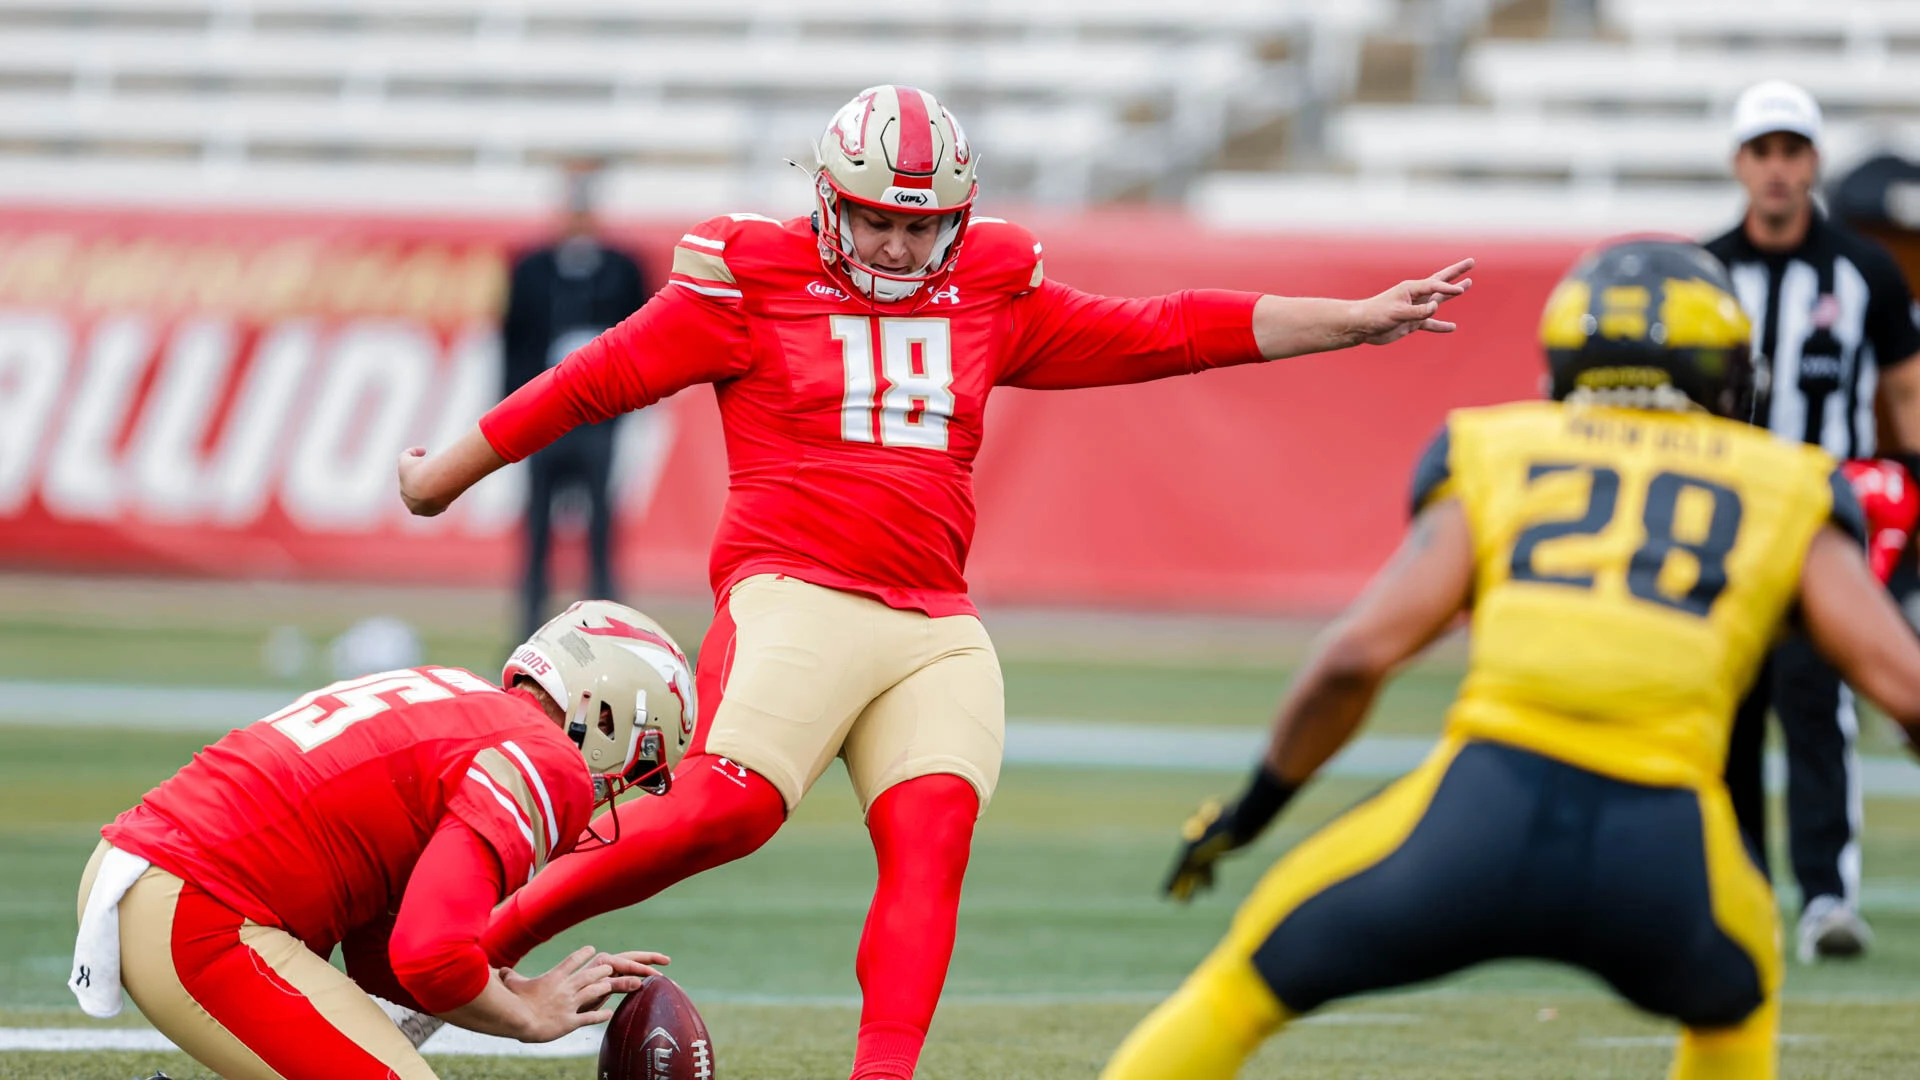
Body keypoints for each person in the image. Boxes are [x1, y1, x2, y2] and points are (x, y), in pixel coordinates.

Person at [396, 84, 1473, 1080]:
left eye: (919, 226)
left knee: (932, 844)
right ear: (828, 203)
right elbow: (592, 381)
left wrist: (1353, 318)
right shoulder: (749, 283)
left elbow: (1169, 330)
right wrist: (447, 474)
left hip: (935, 622)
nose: (898, 244)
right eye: (876, 220)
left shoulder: (988, 291)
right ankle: (439, 970)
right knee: (715, 816)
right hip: (798, 590)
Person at [1105, 238, 1920, 1080]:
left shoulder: (1499, 447)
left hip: (1480, 815)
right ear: (1726, 368)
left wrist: (1252, 811)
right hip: (1668, 848)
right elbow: (1908, 690)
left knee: (1242, 987)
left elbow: (1355, 658)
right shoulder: (1787, 481)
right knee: (1735, 1007)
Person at [70, 601, 694, 1080]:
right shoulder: (545, 757)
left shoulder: (458, 693)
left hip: (158, 873)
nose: (617, 789)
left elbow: (388, 955)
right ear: (604, 715)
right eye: (637, 762)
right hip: (202, 906)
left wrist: (508, 989)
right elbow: (428, 955)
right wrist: (527, 1018)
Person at [1705, 79, 1920, 961]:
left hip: (1822, 519)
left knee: (1817, 704)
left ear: (1814, 163)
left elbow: (1904, 392)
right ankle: (1740, 887)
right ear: (1739, 163)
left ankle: (1827, 895)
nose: (1778, 169)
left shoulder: (1862, 267)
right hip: (1725, 516)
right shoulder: (1706, 268)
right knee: (1727, 705)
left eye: (1792, 152)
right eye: (1763, 152)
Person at [503, 158, 649, 638]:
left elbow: (643, 339)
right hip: (543, 418)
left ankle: (607, 627)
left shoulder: (623, 268)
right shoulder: (530, 268)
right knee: (538, 530)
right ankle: (528, 630)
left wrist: (623, 409)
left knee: (602, 530)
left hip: (599, 420)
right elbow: (513, 342)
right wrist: (516, 411)